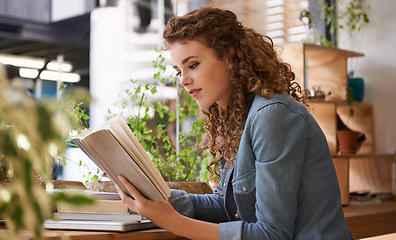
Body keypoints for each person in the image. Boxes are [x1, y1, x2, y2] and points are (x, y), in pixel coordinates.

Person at [116, 7, 354, 239]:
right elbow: (227, 205)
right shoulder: (236, 118)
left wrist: (175, 223)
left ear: (229, 57)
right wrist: (156, 195)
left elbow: (272, 234)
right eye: (179, 71)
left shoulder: (272, 115)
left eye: (193, 65)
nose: (184, 81)